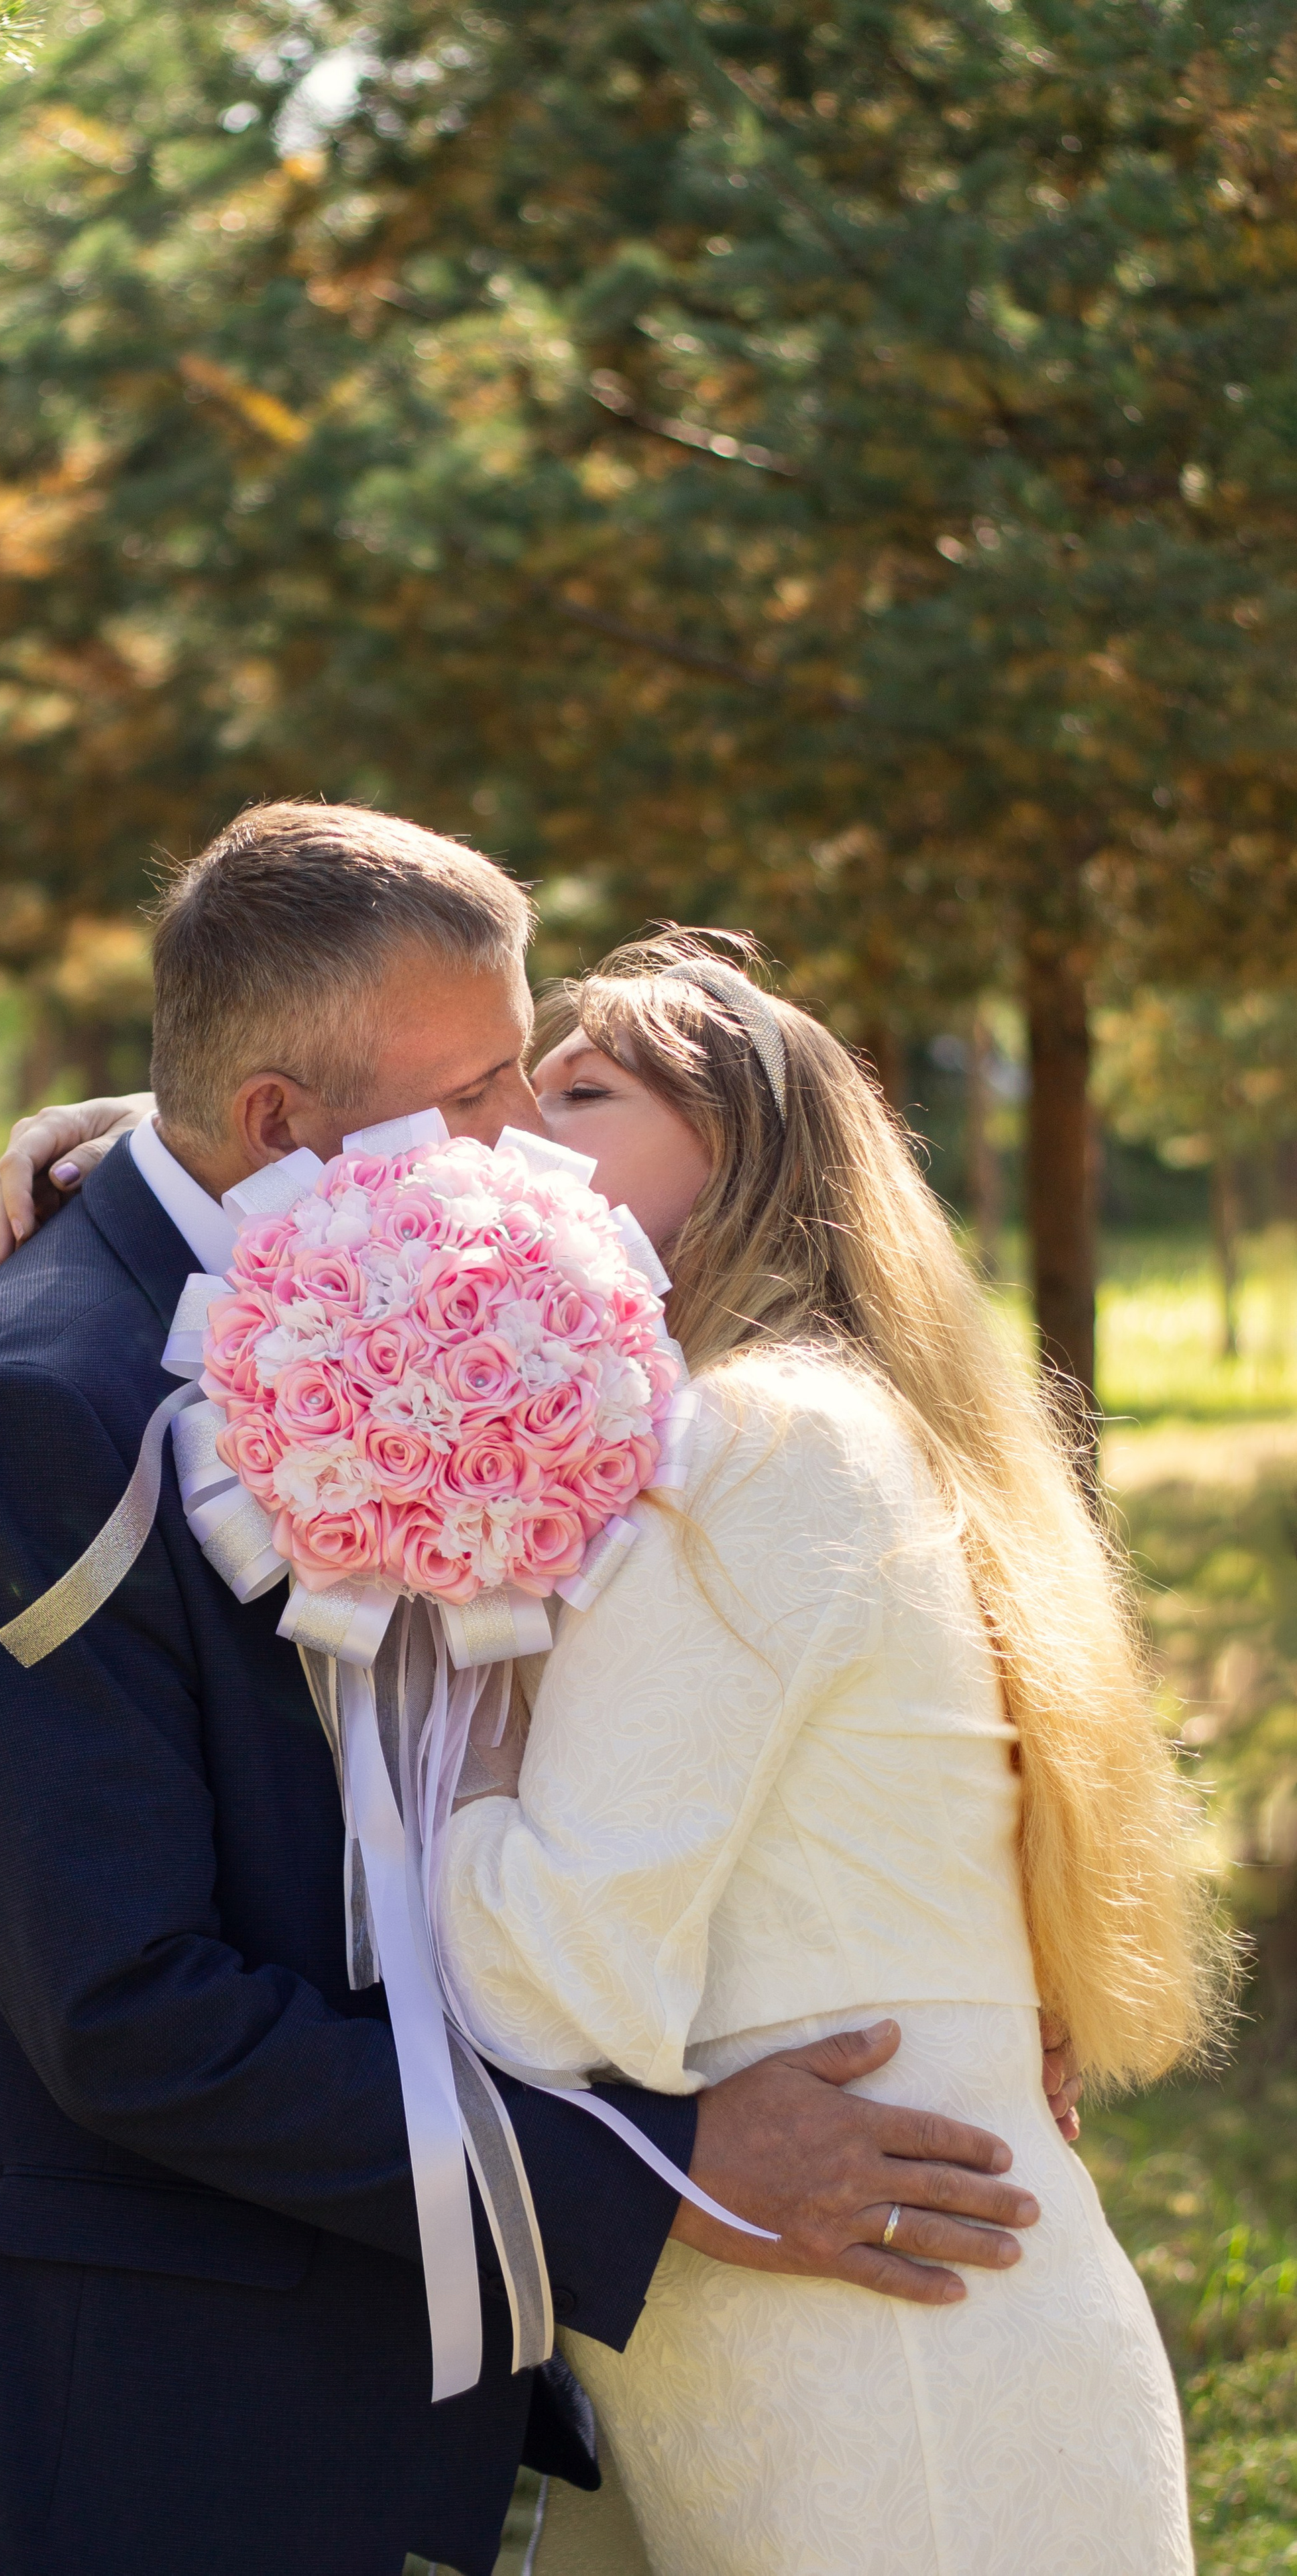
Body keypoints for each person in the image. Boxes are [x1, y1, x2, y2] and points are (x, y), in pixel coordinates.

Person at [408, 932, 1221, 2574]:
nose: (496, 1138)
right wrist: (113, 1138)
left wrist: (453, 1725)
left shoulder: (759, 1440)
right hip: (835, 2347)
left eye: (577, 1091)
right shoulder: (821, 1424)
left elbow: (553, 1976)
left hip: (889, 2376)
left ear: (742, 1154)